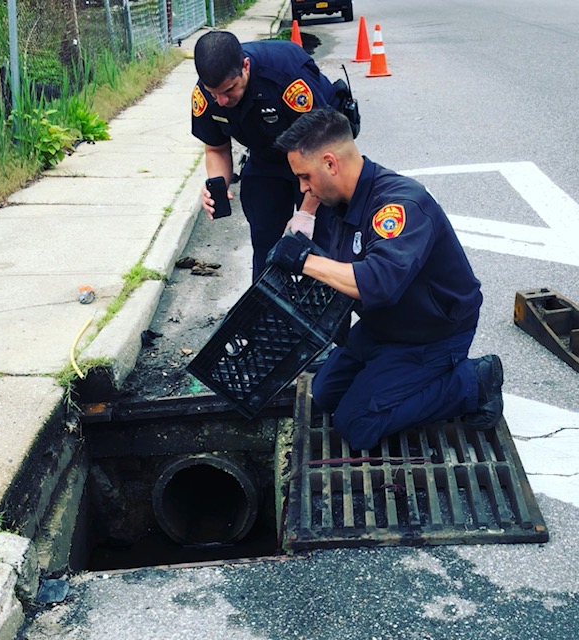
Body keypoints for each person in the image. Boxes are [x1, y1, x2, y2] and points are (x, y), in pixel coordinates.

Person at [268, 107, 504, 451]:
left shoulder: (400, 205)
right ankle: (391, 376)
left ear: (331, 164)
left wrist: (304, 261)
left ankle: (472, 382)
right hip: (385, 325)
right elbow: (339, 271)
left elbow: (377, 282)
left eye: (305, 177)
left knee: (356, 425)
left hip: (432, 333)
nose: (304, 188)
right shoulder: (337, 204)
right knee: (325, 393)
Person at [191, 30, 344, 280]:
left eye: (229, 90)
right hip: (266, 157)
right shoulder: (206, 96)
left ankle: (323, 312)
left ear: (246, 67)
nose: (220, 100)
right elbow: (216, 147)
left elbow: (322, 148)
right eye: (213, 92)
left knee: (321, 241)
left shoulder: (287, 77)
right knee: (265, 240)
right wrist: (217, 185)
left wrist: (306, 213)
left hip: (318, 158)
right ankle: (267, 314)